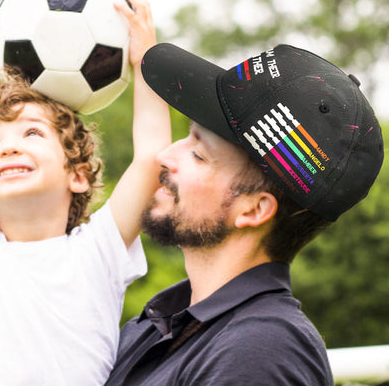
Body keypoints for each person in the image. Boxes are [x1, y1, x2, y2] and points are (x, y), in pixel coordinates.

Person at [105, 42, 384, 385]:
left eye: (198, 154)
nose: (166, 156)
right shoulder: (165, 323)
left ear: (254, 209)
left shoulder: (259, 354)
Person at [0, 0, 170, 386]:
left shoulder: (98, 250)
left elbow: (152, 158)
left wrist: (146, 62)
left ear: (77, 175)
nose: (9, 146)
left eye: (31, 133)